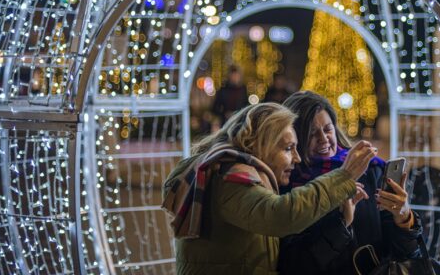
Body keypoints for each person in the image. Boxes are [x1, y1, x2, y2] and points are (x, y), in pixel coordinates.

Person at [162, 102, 378, 275]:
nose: (297, 158)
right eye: (288, 148)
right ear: (260, 145)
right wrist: (344, 176)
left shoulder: (246, 176)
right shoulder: (227, 178)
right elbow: (281, 215)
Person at [278, 91, 421, 275]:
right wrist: (343, 223)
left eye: (328, 129)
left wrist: (404, 218)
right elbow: (294, 265)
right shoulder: (288, 183)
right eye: (312, 133)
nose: (323, 139)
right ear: (294, 139)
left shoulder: (371, 172)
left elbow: (406, 255)